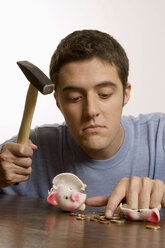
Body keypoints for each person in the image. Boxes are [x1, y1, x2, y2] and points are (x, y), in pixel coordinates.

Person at [0, 29, 165, 217]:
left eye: (104, 94)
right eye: (74, 98)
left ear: (125, 94)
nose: (91, 111)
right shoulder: (31, 149)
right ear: (58, 101)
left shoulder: (160, 135)